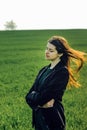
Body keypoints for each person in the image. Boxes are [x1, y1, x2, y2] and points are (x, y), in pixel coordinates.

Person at [25, 36, 87, 130]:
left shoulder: (62, 72)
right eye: (46, 48)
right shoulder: (43, 70)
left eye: (51, 50)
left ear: (60, 53)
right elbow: (28, 96)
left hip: (52, 120)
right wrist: (39, 102)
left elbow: (43, 97)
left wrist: (35, 98)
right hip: (38, 119)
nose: (47, 52)